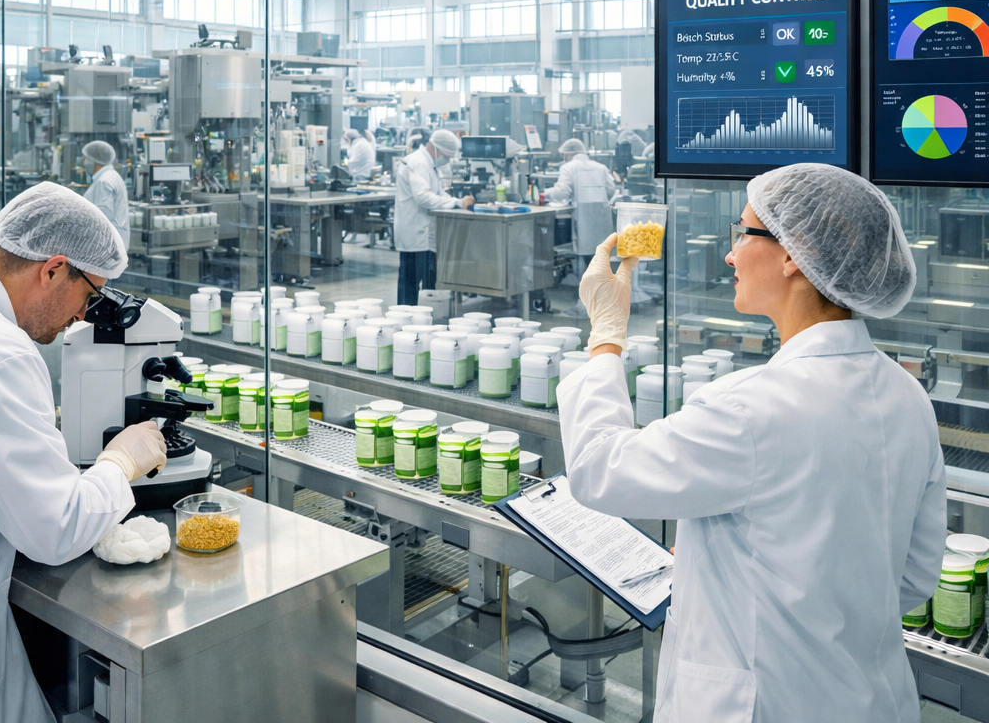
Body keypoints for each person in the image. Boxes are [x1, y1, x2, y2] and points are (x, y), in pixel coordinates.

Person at [558, 163, 945, 723]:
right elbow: (909, 577)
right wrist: (726, 563)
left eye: (744, 234)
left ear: (795, 253)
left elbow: (599, 469)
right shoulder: (908, 397)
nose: (730, 254)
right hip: (873, 700)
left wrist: (606, 339)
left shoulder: (750, 407)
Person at [0, 182, 168, 723]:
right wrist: (121, 461)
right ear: (54, 269)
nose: (84, 317)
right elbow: (56, 530)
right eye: (92, 295)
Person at [394, 128, 474, 304]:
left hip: (423, 235)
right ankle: (406, 322)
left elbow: (438, 193)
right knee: (410, 285)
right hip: (415, 235)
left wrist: (457, 201)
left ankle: (424, 320)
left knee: (425, 286)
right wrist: (455, 203)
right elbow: (423, 197)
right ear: (436, 148)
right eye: (447, 156)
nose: (448, 160)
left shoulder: (429, 164)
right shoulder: (419, 163)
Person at [545, 138, 616, 259]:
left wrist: (544, 194)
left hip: (583, 219)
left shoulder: (568, 167)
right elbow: (611, 190)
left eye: (563, 155)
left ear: (568, 153)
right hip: (602, 218)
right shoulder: (601, 167)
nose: (563, 158)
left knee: (585, 258)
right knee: (601, 257)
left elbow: (561, 193)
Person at [82, 140, 130, 250]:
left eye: (86, 159)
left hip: (107, 246)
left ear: (95, 160)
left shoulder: (103, 181)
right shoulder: (112, 176)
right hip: (115, 243)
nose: (85, 163)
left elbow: (103, 216)